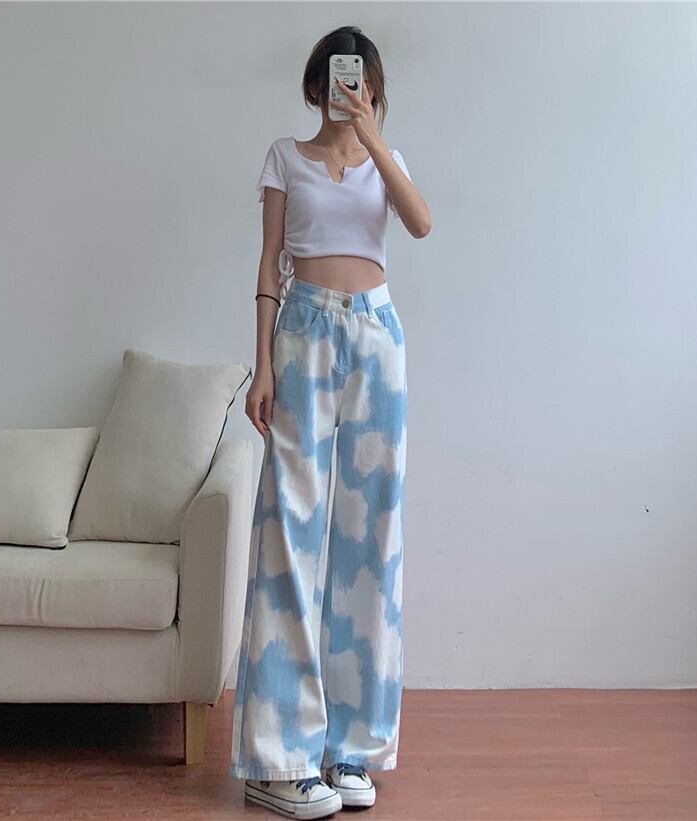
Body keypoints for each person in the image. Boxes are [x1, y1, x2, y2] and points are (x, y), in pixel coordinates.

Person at [230, 25, 431, 819]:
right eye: (339, 78)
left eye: (363, 79)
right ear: (318, 85)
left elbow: (420, 223)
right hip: (304, 329)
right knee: (290, 530)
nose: (350, 89)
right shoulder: (284, 157)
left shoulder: (388, 159)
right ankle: (278, 756)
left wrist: (374, 139)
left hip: (378, 337)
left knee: (371, 539)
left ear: (373, 88)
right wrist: (263, 363)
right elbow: (269, 262)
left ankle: (350, 744)